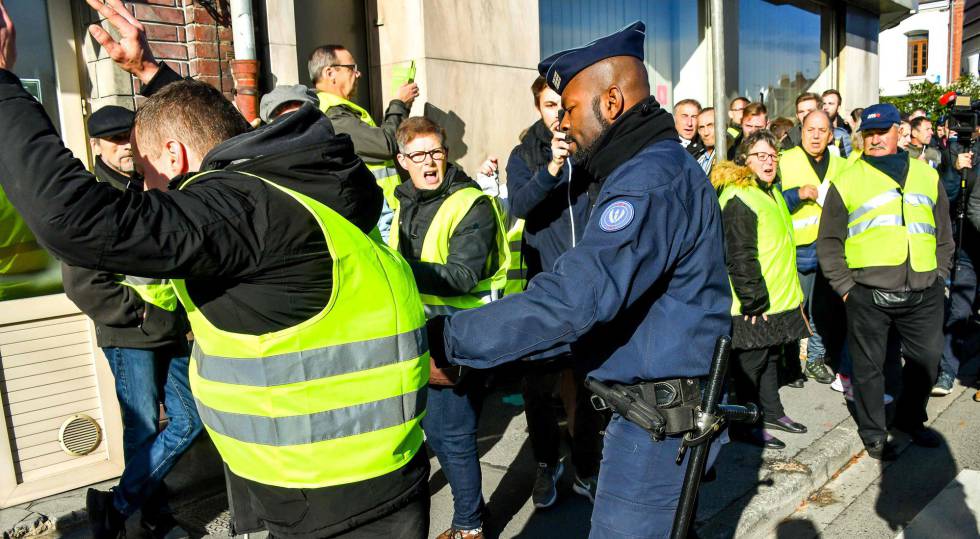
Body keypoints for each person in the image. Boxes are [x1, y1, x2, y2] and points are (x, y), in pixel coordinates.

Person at [0, 2, 431, 538]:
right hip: (374, 476)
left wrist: (1, 84)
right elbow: (225, 142)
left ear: (176, 158)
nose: (145, 183)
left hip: (327, 499)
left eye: (146, 164)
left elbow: (74, 221)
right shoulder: (302, 185)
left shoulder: (239, 212)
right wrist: (153, 77)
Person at [430, 21, 732, 537]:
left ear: (611, 102)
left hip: (655, 431)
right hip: (654, 417)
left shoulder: (648, 179)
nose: (564, 126)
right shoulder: (648, 168)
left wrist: (451, 341)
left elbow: (577, 299)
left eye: (570, 109)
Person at [61, 105, 201, 539]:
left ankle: (117, 506)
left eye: (130, 137)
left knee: (190, 419)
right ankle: (152, 519)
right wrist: (141, 313)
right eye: (115, 139)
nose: (126, 146)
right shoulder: (88, 196)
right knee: (141, 430)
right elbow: (83, 283)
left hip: (173, 328)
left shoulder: (151, 185)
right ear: (96, 146)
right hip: (131, 333)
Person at [389, 117, 507, 539]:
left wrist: (392, 270)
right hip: (420, 333)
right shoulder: (402, 199)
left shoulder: (469, 203)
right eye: (419, 155)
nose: (430, 162)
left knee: (450, 433)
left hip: (459, 336)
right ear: (403, 160)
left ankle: (469, 526)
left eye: (436, 151)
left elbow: (461, 275)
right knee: (430, 429)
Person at [817, 103, 954, 461]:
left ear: (899, 132)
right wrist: (846, 288)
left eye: (882, 132)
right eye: (869, 134)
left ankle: (911, 420)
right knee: (868, 369)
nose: (875, 139)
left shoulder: (926, 175)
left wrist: (940, 275)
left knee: (927, 360)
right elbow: (829, 241)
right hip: (868, 292)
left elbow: (943, 232)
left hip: (924, 290)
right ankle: (874, 432)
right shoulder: (847, 179)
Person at [505, 76, 604, 509]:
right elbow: (519, 206)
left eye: (563, 106)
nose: (557, 114)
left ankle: (586, 467)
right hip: (545, 286)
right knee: (537, 387)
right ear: (538, 108)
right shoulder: (524, 153)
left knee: (588, 387)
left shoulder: (589, 149)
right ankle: (547, 464)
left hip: (589, 285)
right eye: (549, 106)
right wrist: (550, 170)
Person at [712, 130, 809, 450]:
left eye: (773, 156)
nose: (769, 162)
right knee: (750, 368)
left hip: (775, 299)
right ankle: (745, 424)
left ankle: (772, 412)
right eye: (761, 156)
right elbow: (739, 256)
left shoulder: (770, 191)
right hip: (752, 304)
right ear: (744, 160)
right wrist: (754, 301)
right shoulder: (739, 197)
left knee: (769, 360)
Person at [309, 43, 419, 240]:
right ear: (330, 72)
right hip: (374, 214)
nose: (358, 74)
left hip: (376, 208)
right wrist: (399, 104)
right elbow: (384, 145)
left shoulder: (340, 109)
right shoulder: (332, 113)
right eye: (352, 68)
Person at [778, 110, 846, 386]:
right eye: (810, 130)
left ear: (831, 134)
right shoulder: (786, 160)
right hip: (797, 247)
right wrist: (798, 194)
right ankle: (791, 363)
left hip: (831, 248)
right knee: (797, 308)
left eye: (822, 130)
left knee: (823, 309)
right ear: (801, 131)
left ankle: (816, 360)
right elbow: (772, 201)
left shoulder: (842, 165)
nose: (816, 136)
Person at [938, 128, 980, 395]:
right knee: (959, 311)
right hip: (966, 246)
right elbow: (947, 197)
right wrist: (955, 169)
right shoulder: (958, 150)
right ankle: (946, 372)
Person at [821, 89, 852, 157]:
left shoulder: (848, 128)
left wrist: (854, 128)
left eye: (830, 104)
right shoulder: (816, 128)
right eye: (824, 103)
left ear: (838, 108)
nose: (826, 107)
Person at [696, 106, 718, 175]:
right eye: (701, 127)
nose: (706, 133)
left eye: (710, 125)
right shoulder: (696, 157)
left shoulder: (731, 155)